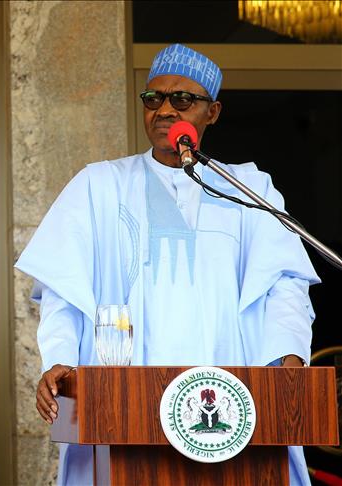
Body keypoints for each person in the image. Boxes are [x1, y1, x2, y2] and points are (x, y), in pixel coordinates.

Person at [16, 44, 318, 485]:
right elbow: (64, 290)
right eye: (153, 98)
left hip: (234, 402)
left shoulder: (248, 188)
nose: (164, 110)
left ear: (212, 112)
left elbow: (285, 284)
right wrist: (60, 357)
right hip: (124, 407)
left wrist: (289, 359)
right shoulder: (99, 185)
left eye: (182, 99)